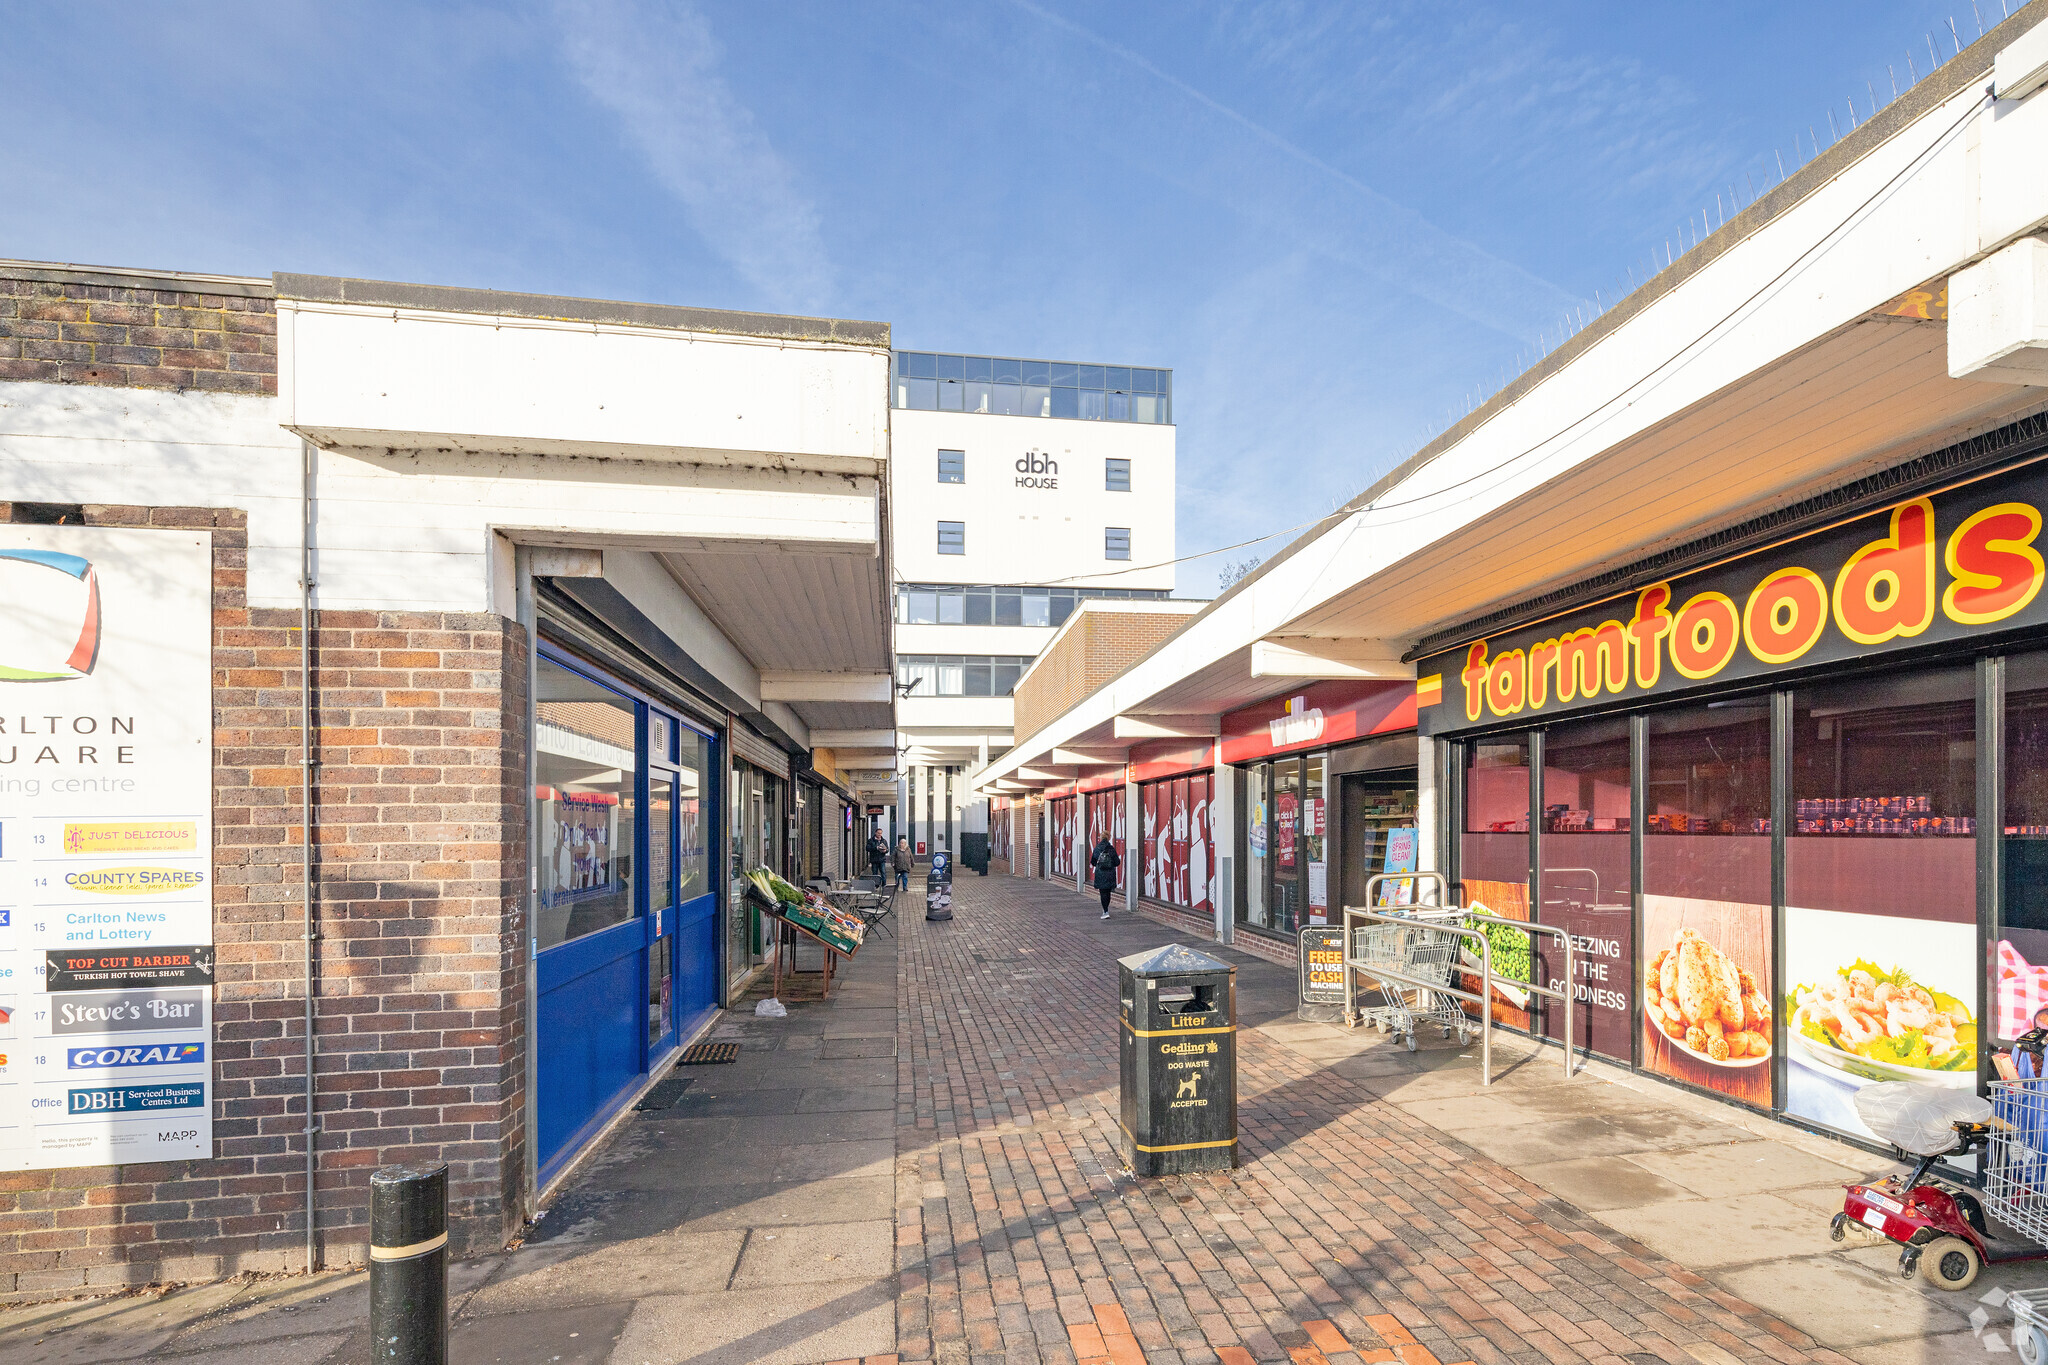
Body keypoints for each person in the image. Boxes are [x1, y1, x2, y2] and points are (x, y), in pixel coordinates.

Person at [1089, 834, 1121, 919]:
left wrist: (1099, 865)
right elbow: (1117, 862)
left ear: (1100, 838)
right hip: (1110, 873)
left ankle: (1105, 911)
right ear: (1109, 838)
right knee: (1108, 892)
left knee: (1102, 892)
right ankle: (1106, 909)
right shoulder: (1111, 849)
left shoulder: (1097, 848)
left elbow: (1093, 861)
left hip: (1100, 873)